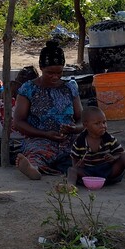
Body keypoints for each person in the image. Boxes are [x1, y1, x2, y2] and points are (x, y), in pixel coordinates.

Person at [13, 40, 83, 180]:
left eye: (59, 72)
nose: (55, 77)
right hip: (40, 138)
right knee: (37, 152)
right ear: (40, 67)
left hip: (69, 139)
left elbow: (82, 118)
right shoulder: (29, 89)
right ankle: (33, 168)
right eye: (50, 72)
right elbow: (18, 122)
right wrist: (45, 134)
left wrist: (74, 128)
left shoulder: (70, 87)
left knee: (92, 149)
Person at [67, 106, 125, 193]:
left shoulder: (109, 139)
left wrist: (114, 157)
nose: (103, 126)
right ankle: (71, 186)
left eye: (104, 122)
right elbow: (74, 157)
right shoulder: (79, 141)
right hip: (89, 173)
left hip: (108, 172)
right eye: (97, 123)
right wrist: (78, 165)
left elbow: (120, 153)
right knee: (71, 169)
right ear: (85, 125)